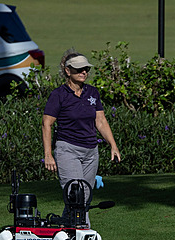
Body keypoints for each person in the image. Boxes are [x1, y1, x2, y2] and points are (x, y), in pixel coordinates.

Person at [42, 50, 120, 225]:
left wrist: (113, 145)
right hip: (67, 150)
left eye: (85, 69)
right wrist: (48, 154)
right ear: (67, 71)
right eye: (79, 69)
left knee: (84, 196)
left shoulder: (92, 93)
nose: (83, 72)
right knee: (76, 193)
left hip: (91, 152)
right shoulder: (59, 95)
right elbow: (47, 123)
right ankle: (83, 233)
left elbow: (100, 120)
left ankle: (64, 228)